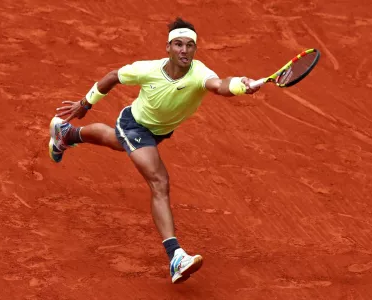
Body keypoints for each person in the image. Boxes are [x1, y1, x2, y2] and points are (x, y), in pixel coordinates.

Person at [49, 17, 260, 284]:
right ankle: (176, 256)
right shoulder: (147, 69)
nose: (184, 50)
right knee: (159, 181)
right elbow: (114, 76)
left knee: (114, 141)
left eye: (190, 46)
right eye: (178, 44)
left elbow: (220, 85)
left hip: (157, 132)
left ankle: (66, 134)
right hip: (135, 125)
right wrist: (85, 103)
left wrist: (241, 84)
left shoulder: (199, 73)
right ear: (168, 48)